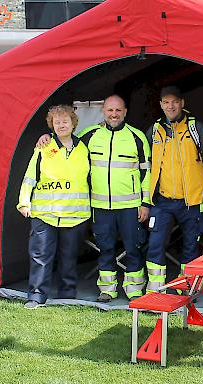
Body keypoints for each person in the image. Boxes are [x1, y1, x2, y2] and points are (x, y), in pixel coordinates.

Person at [36, 95, 151, 302]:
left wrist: (145, 203)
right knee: (105, 248)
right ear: (103, 112)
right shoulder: (89, 135)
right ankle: (107, 290)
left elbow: (146, 173)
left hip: (130, 206)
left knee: (133, 248)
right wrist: (46, 137)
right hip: (100, 206)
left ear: (125, 112)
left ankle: (134, 290)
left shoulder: (137, 137)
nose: (113, 114)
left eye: (118, 110)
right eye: (109, 110)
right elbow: (64, 140)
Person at [144, 86, 203, 292]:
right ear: (161, 105)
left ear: (182, 103)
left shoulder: (196, 129)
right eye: (166, 102)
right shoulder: (154, 130)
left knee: (190, 245)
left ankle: (185, 287)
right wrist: (145, 199)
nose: (171, 106)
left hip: (192, 201)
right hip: (162, 201)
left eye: (175, 101)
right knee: (155, 244)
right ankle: (154, 289)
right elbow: (143, 166)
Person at [18, 105, 90, 309]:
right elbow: (30, 176)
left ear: (73, 123)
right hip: (45, 213)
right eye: (57, 122)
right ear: (52, 125)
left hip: (75, 214)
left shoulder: (83, 148)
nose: (61, 125)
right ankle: (36, 296)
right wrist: (24, 202)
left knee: (69, 257)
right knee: (40, 256)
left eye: (65, 121)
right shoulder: (44, 146)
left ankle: (68, 293)